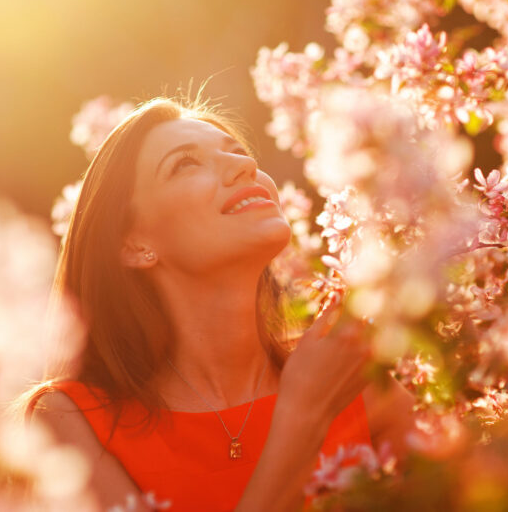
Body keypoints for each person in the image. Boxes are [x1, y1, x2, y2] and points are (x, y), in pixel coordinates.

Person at [23, 96, 415, 511]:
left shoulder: (358, 383)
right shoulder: (72, 420)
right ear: (133, 244)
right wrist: (304, 415)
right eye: (185, 164)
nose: (245, 167)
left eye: (238, 153)